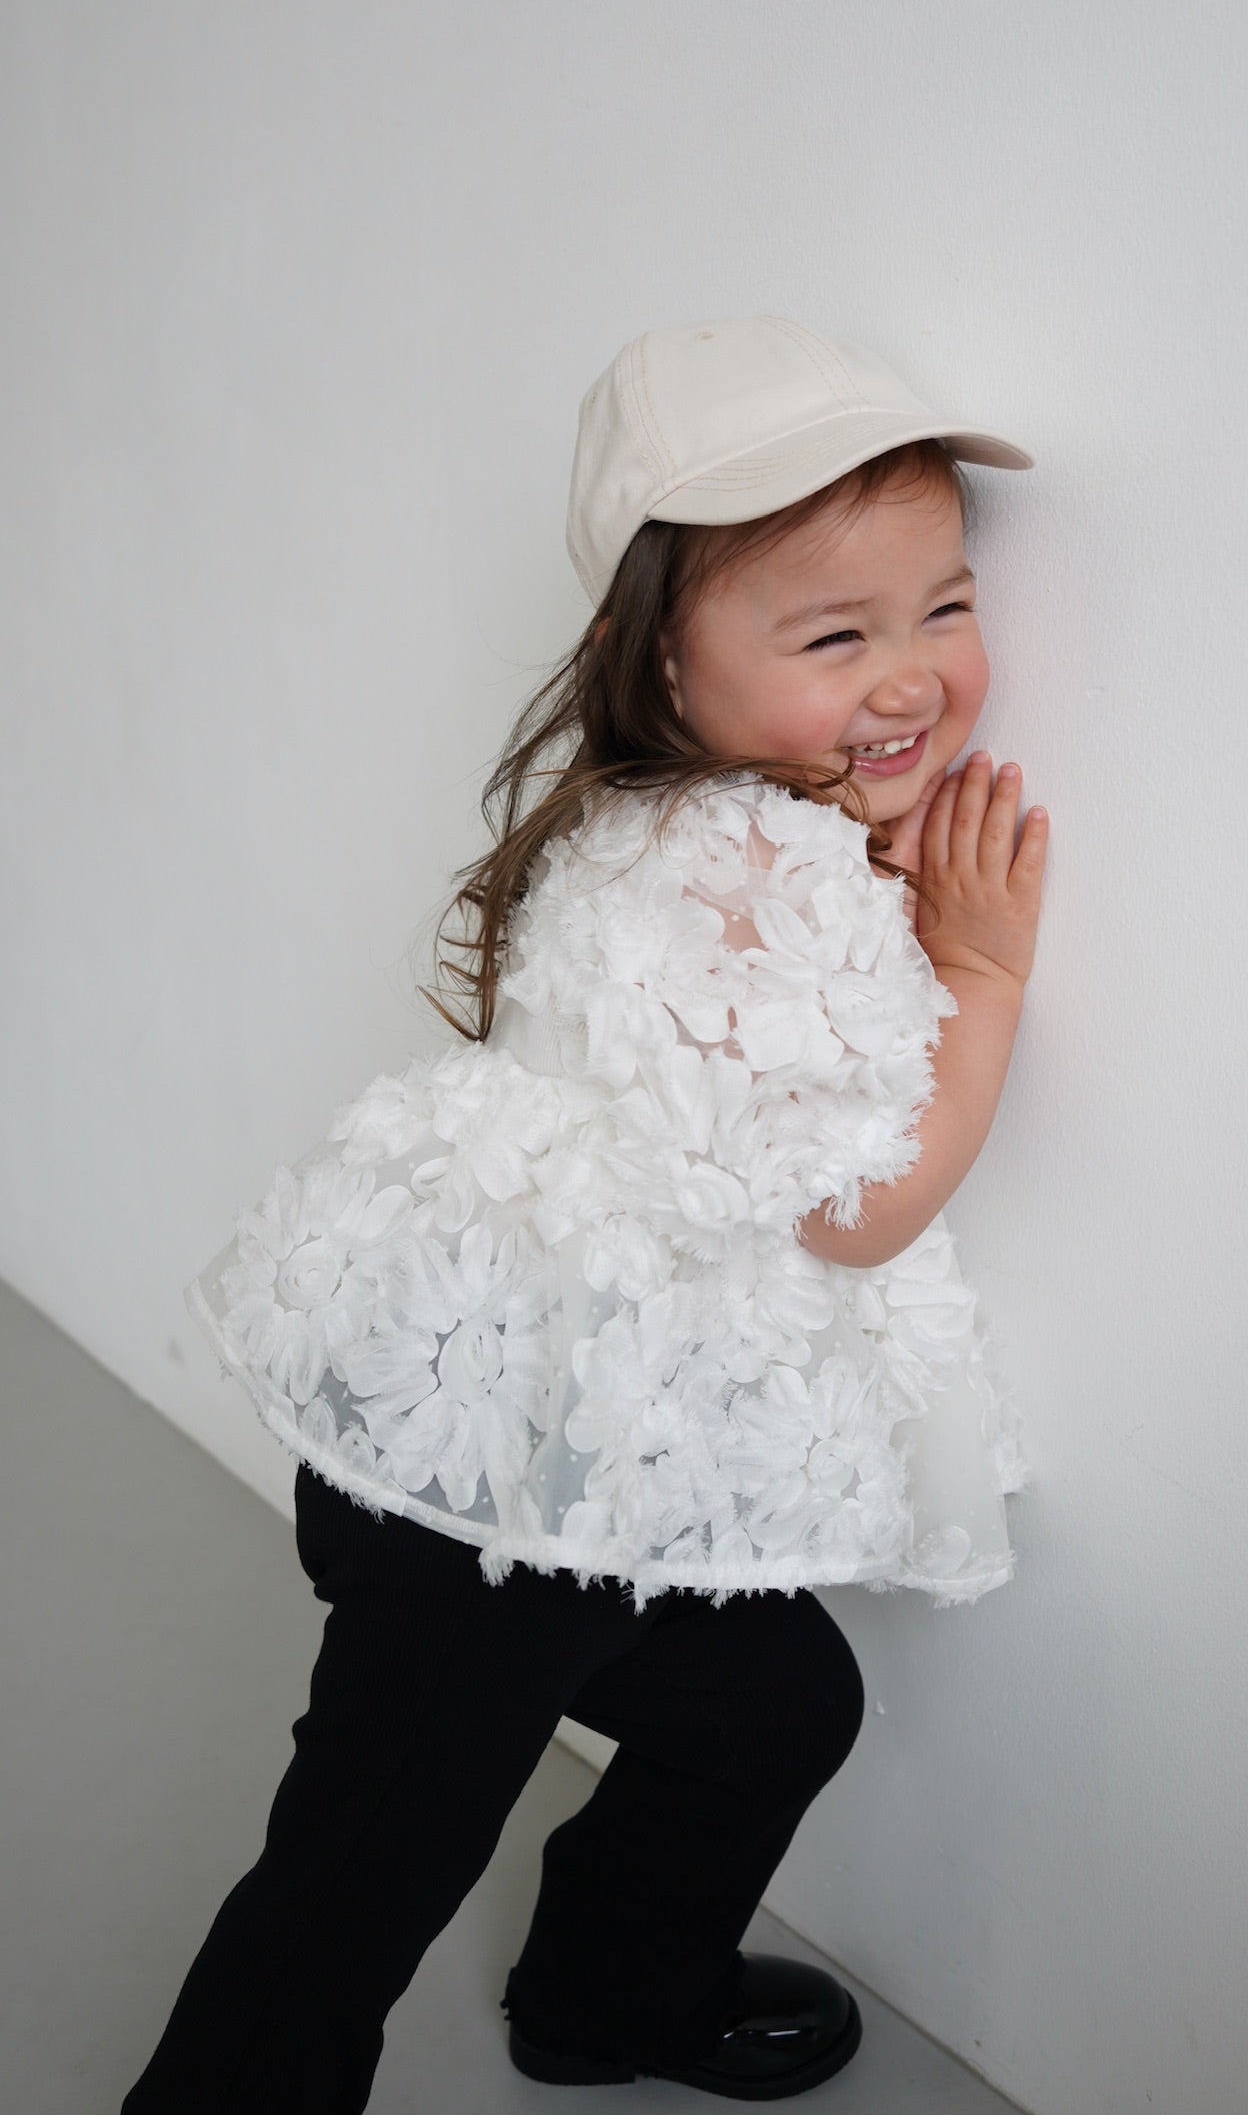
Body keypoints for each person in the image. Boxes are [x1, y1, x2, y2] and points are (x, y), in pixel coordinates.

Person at [121, 314, 1050, 2111]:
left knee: (777, 1705)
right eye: (835, 636)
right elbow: (854, 1212)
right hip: (492, 1506)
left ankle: (608, 1997)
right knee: (365, 1864)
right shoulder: (754, 866)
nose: (912, 677)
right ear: (666, 666)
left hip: (561, 1454)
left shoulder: (687, 813)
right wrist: (986, 977)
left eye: (944, 607)